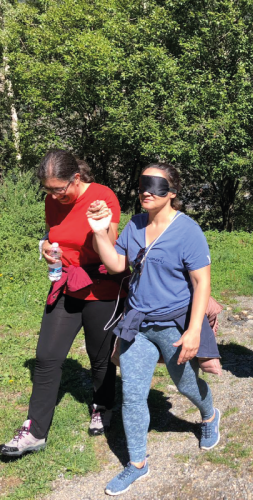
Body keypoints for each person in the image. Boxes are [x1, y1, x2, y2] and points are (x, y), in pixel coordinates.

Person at [87, 162, 220, 496]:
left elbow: (201, 282)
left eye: (156, 186)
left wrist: (193, 331)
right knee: (132, 395)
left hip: (174, 325)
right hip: (138, 324)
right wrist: (98, 231)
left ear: (172, 192)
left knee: (187, 385)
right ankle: (137, 464)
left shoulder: (187, 230)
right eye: (143, 184)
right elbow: (117, 264)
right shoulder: (134, 225)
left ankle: (208, 415)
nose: (147, 191)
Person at [1, 150, 125, 458]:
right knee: (46, 357)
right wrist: (43, 245)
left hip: (101, 288)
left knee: (101, 358)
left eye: (60, 189)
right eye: (49, 190)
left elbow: (112, 251)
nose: (55, 195)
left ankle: (102, 405)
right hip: (66, 284)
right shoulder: (52, 201)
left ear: (77, 178)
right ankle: (34, 432)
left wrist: (101, 222)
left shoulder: (102, 196)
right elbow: (52, 234)